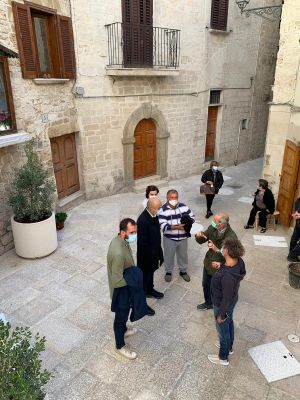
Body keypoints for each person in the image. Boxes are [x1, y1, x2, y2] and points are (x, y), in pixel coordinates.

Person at [107, 218, 154, 360]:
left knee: (124, 315)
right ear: (123, 232)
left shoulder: (121, 240)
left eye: (135, 231)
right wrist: (133, 282)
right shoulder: (119, 253)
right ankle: (120, 346)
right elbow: (117, 280)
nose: (135, 234)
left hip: (125, 286)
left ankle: (125, 330)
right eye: (132, 232)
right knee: (120, 318)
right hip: (121, 291)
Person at [208, 239, 246, 366]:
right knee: (229, 323)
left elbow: (226, 297)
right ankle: (229, 348)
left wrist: (221, 314)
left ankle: (223, 357)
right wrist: (221, 266)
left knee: (222, 330)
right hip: (232, 301)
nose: (222, 248)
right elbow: (238, 271)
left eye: (223, 247)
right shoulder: (239, 262)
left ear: (227, 251)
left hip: (222, 305)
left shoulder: (227, 276)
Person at [195, 212, 237, 310]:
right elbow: (202, 239)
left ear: (222, 224)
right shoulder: (212, 227)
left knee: (218, 289)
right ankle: (208, 303)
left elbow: (232, 258)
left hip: (220, 267)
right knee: (206, 285)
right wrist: (199, 236)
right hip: (208, 262)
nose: (212, 222)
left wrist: (216, 249)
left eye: (215, 221)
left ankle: (219, 307)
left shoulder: (231, 237)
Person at [159, 189, 195, 283]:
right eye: (171, 197)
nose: (174, 199)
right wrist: (174, 227)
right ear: (167, 198)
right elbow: (162, 225)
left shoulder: (184, 207)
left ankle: (183, 271)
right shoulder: (162, 210)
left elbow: (192, 217)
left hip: (183, 237)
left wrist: (187, 225)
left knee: (183, 255)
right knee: (168, 255)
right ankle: (168, 272)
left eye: (175, 197)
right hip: (169, 238)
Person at [137, 197, 164, 299]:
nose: (161, 209)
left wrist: (158, 253)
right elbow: (143, 243)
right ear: (151, 208)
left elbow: (156, 234)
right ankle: (143, 298)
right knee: (145, 276)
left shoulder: (154, 215)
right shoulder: (142, 221)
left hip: (154, 252)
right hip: (146, 256)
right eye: (159, 207)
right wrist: (153, 256)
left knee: (151, 274)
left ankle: (150, 290)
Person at [287, 197, 300, 262]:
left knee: (295, 236)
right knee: (295, 236)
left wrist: (297, 211)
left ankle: (291, 252)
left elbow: (298, 200)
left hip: (298, 220)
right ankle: (292, 255)